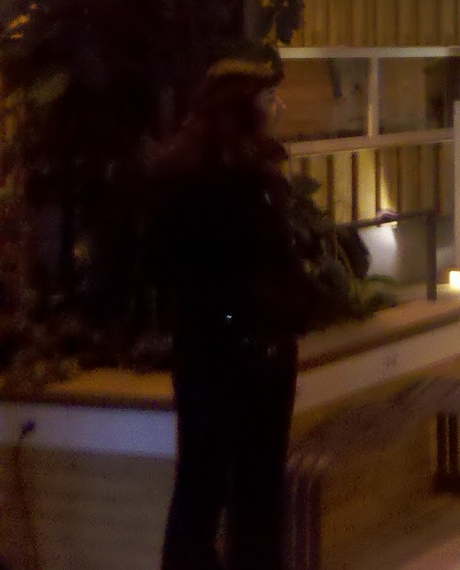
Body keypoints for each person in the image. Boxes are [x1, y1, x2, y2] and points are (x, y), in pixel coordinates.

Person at [155, 48, 312, 570]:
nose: (278, 107)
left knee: (205, 483)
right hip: (245, 347)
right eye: (269, 98)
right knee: (248, 486)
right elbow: (245, 261)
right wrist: (274, 311)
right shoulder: (225, 177)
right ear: (244, 105)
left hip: (213, 348)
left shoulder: (191, 169)